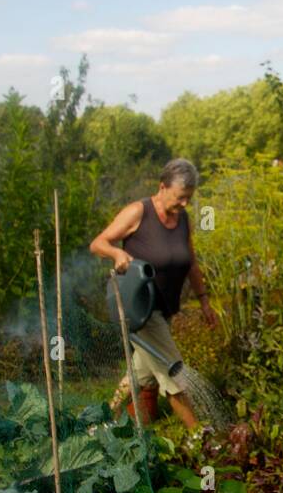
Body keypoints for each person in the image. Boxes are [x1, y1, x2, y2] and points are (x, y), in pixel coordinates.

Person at [90, 158, 217, 428]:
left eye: (189, 198)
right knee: (173, 372)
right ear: (163, 187)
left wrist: (205, 302)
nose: (185, 204)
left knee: (140, 374)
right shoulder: (138, 212)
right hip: (141, 310)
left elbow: (191, 263)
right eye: (181, 197)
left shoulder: (182, 219)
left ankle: (97, 422)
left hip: (165, 308)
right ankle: (199, 438)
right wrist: (116, 252)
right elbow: (98, 243)